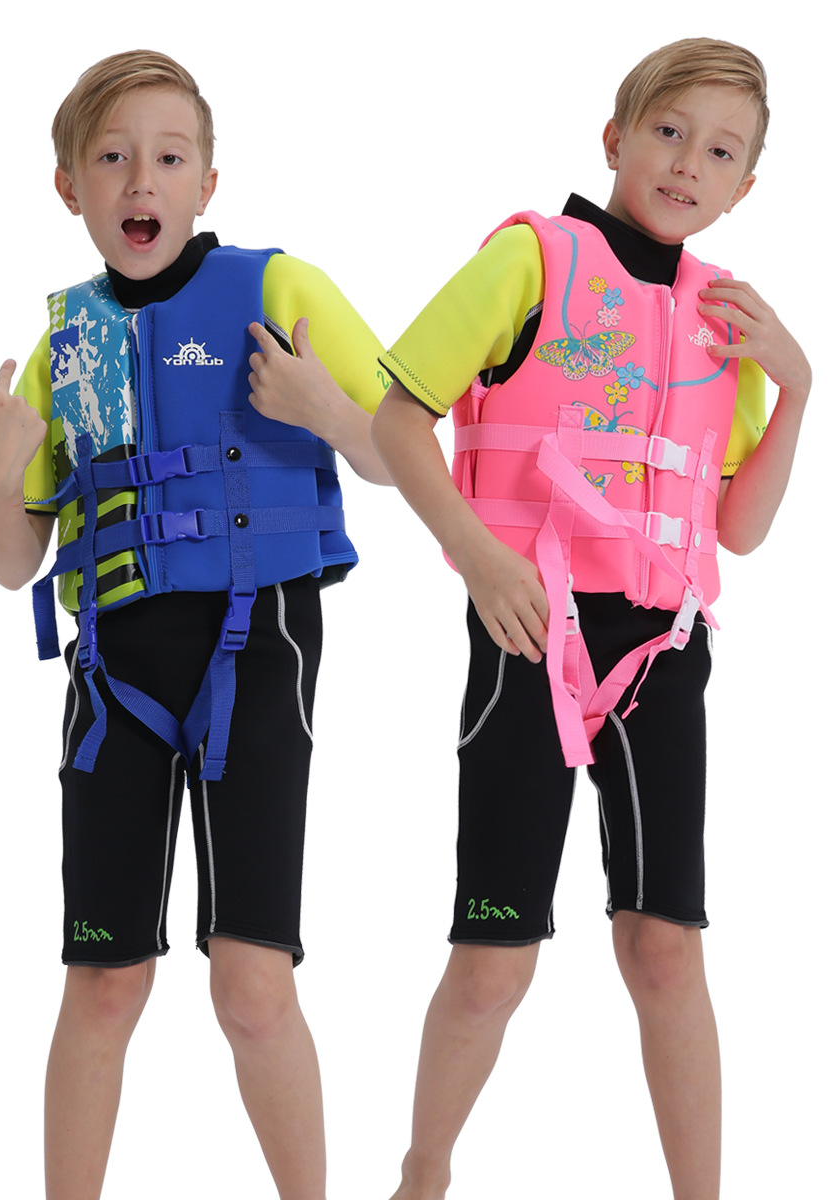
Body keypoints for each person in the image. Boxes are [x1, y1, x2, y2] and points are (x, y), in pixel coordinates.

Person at [0, 49, 388, 1200]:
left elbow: (402, 451)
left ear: (207, 183)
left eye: (169, 157)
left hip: (257, 650)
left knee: (251, 985)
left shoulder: (279, 290)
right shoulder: (66, 348)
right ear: (71, 188)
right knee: (104, 982)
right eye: (112, 158)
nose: (141, 178)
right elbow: (13, 564)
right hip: (114, 673)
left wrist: (326, 409)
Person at [371, 38, 810, 1200]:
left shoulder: (726, 320)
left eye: (721, 152)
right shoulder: (531, 259)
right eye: (668, 132)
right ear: (615, 139)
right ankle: (422, 1176)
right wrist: (480, 563)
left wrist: (799, 386)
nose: (688, 163)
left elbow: (740, 530)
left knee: (666, 948)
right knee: (494, 959)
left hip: (664, 651)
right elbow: (398, 418)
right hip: (529, 633)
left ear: (744, 187)